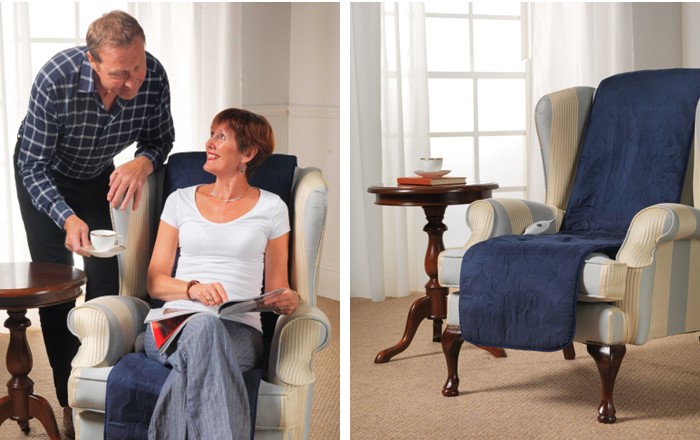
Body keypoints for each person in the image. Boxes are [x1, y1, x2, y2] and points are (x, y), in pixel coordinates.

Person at [13, 10, 174, 438]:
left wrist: (142, 162)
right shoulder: (56, 80)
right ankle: (69, 396)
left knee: (110, 274)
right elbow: (32, 166)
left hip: (96, 173)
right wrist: (66, 217)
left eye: (137, 67)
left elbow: (161, 139)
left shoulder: (153, 75)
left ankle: (100, 380)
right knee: (60, 287)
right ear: (92, 62)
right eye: (120, 73)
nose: (133, 81)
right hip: (44, 175)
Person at [144, 108, 301, 439]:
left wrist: (288, 300)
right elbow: (155, 281)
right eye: (211, 133)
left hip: (239, 330)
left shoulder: (272, 208)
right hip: (172, 324)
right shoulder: (179, 201)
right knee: (202, 324)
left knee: (200, 346)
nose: (209, 143)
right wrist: (193, 290)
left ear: (247, 153)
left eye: (220, 136)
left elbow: (276, 288)